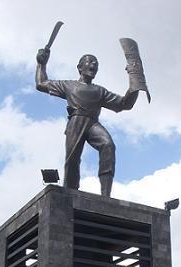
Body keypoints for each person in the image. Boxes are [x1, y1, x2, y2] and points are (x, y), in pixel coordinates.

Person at [36, 49, 139, 197]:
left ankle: (106, 196)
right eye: (90, 62)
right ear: (79, 67)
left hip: (93, 123)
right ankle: (70, 193)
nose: (94, 65)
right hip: (76, 121)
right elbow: (41, 84)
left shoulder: (100, 91)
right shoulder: (68, 85)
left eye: (96, 63)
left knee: (108, 145)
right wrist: (41, 64)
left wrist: (134, 82)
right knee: (72, 160)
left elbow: (124, 104)